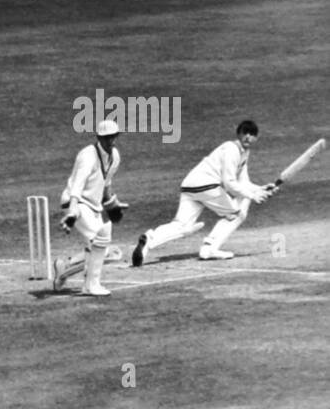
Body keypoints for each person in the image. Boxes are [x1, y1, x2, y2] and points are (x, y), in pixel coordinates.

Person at [132, 120, 274, 267]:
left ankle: (149, 239)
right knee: (236, 214)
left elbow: (243, 182)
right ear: (239, 134)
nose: (248, 137)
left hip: (191, 186)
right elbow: (229, 183)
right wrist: (253, 196)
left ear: (256, 138)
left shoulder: (244, 153)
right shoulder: (232, 149)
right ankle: (210, 248)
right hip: (206, 185)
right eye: (245, 133)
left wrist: (260, 189)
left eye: (252, 135)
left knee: (183, 226)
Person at [53, 120, 127, 297]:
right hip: (75, 202)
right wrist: (72, 210)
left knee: (106, 249)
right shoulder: (87, 156)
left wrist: (112, 205)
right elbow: (77, 185)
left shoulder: (115, 156)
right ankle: (90, 285)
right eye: (107, 138)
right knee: (102, 243)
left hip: (93, 206)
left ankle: (65, 268)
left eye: (113, 137)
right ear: (99, 138)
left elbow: (106, 184)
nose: (111, 141)